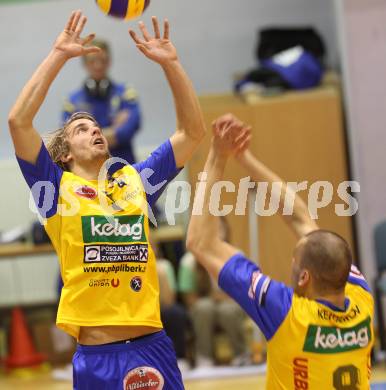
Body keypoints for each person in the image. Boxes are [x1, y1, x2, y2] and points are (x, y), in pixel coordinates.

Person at [8, 10, 205, 389]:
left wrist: (172, 65)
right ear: (64, 153)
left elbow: (193, 132)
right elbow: (18, 122)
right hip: (98, 359)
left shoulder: (135, 180)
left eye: (96, 126)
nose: (94, 129)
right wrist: (58, 55)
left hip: (152, 349)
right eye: (82, 128)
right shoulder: (54, 190)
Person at [187, 114, 374, 389]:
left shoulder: (285, 311)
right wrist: (245, 158)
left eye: (295, 259)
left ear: (304, 277)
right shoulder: (362, 297)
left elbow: (200, 244)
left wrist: (219, 155)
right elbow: (301, 219)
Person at [178, 218, 249, 367]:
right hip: (204, 305)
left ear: (226, 231)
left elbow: (243, 292)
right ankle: (204, 358)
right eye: (211, 229)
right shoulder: (189, 261)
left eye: (219, 229)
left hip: (231, 304)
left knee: (227, 310)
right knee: (204, 307)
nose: (215, 233)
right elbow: (189, 297)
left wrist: (218, 298)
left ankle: (241, 355)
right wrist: (215, 298)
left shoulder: (237, 256)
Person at [62, 38, 141, 166]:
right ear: (84, 64)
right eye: (92, 61)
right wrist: (115, 129)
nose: (98, 66)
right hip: (88, 175)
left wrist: (85, 135)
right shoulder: (73, 101)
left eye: (102, 60)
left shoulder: (125, 94)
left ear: (109, 62)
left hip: (124, 171)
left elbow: (130, 127)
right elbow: (68, 139)